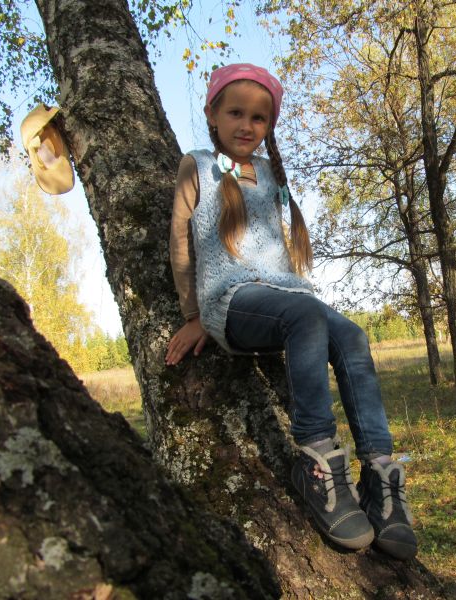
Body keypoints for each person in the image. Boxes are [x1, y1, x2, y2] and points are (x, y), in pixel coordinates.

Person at [164, 63, 417, 560]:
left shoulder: (269, 174)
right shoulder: (197, 165)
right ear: (212, 114)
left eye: (259, 118)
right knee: (307, 317)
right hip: (230, 298)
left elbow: (274, 249)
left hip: (286, 296)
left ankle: (380, 475)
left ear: (269, 125)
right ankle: (317, 461)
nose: (246, 125)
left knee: (353, 337)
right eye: (235, 113)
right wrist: (194, 313)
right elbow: (179, 238)